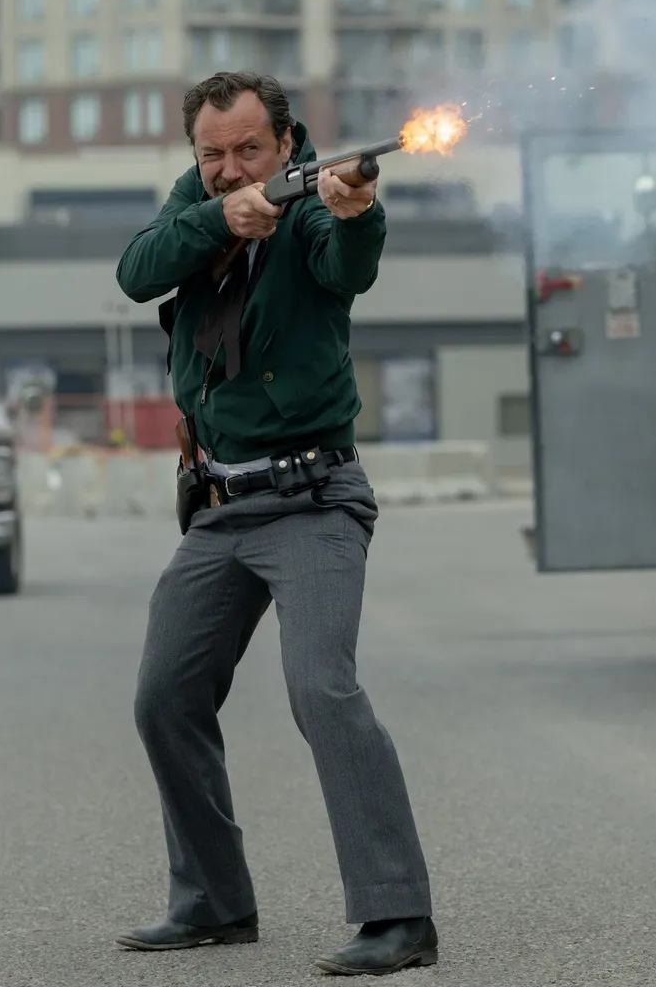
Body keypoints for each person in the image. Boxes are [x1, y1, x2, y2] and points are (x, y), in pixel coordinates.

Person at [111, 70, 438, 977]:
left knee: (322, 691)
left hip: (312, 498)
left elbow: (348, 264)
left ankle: (398, 916)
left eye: (248, 149)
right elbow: (137, 272)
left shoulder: (315, 202)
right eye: (212, 153)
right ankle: (212, 903)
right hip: (219, 508)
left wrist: (355, 210)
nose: (229, 167)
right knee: (165, 696)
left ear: (286, 143)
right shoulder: (198, 202)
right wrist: (221, 217)